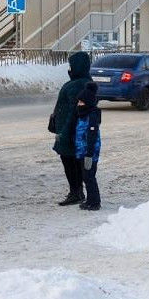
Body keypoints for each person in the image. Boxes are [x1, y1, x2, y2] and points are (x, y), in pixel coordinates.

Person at [51, 51, 92, 206]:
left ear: (78, 67)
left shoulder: (79, 85)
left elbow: (73, 113)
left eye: (71, 66)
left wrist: (64, 133)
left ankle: (76, 192)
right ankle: (77, 191)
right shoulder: (80, 82)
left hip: (70, 132)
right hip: (70, 131)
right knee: (72, 161)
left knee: (70, 162)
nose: (69, 69)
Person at [75, 82, 102, 211]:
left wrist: (89, 155)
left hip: (89, 154)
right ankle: (91, 199)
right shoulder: (83, 116)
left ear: (87, 103)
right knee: (86, 177)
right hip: (83, 152)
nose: (78, 105)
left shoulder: (91, 117)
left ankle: (94, 202)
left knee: (89, 177)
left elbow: (92, 138)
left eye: (80, 102)